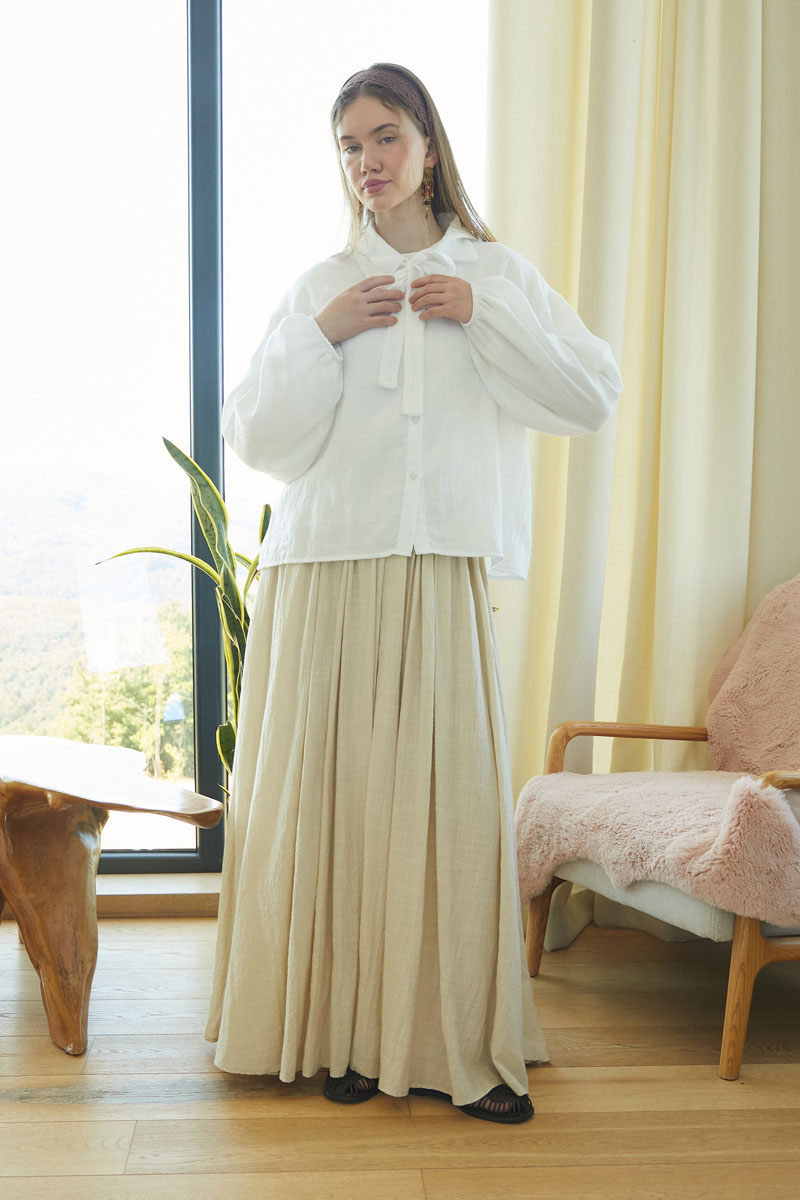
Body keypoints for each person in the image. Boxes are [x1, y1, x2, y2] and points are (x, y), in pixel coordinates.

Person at [205, 62, 622, 1125]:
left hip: (438, 566)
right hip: (324, 568)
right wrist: (324, 332)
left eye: (385, 136)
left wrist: (482, 313)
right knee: (338, 808)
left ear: (429, 145)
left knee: (445, 810)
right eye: (349, 145)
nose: (367, 161)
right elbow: (258, 438)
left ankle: (449, 1043)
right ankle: (346, 1037)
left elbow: (587, 396)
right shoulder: (319, 286)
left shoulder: (496, 272)